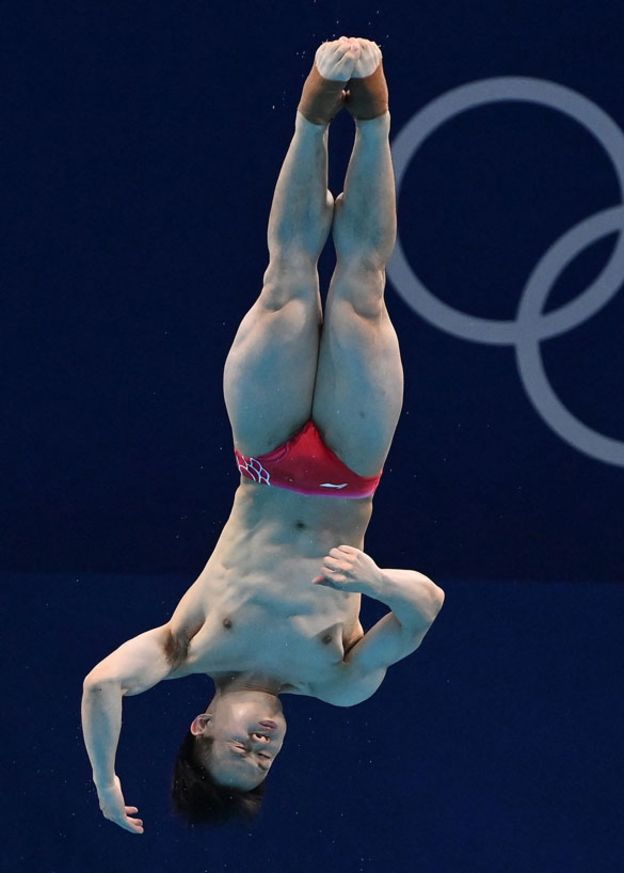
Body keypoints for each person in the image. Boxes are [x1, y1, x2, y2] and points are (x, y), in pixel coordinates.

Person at [80, 37, 444, 833]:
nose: (262, 744)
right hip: (352, 470)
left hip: (266, 457)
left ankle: (315, 111)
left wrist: (106, 778)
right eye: (267, 759)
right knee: (360, 292)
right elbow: (425, 608)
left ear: (199, 727)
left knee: (286, 284)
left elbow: (101, 685)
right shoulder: (339, 681)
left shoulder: (187, 645)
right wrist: (379, 585)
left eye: (238, 752)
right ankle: (375, 113)